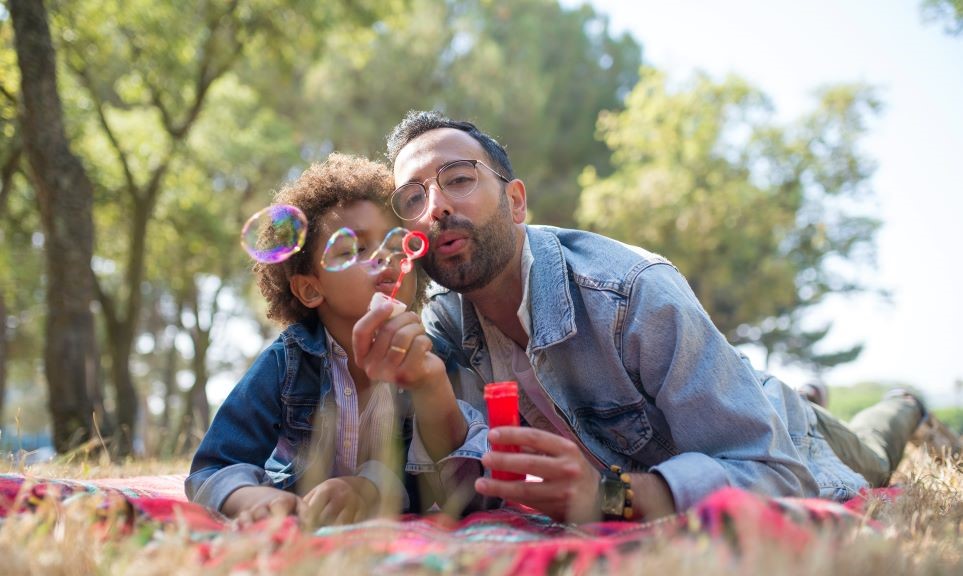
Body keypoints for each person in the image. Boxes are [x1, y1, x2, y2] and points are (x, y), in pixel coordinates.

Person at [354, 110, 940, 524]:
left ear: (515, 202)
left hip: (783, 434)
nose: (437, 207)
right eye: (413, 199)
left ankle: (902, 404)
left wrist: (608, 497)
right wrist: (426, 384)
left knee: (872, 452)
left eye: (459, 179)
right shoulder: (444, 325)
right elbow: (461, 493)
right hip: (714, 398)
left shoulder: (631, 292)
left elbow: (776, 473)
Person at [185, 153, 487, 526]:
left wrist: (371, 488)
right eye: (355, 249)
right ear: (310, 289)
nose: (385, 260)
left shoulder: (432, 358)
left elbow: (463, 489)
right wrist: (252, 498)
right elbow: (214, 465)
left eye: (395, 246)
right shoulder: (288, 362)